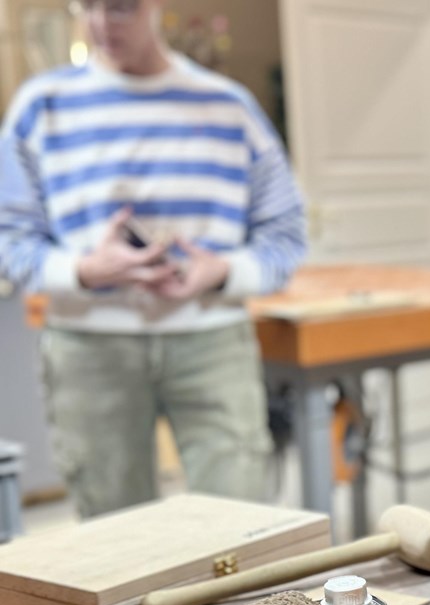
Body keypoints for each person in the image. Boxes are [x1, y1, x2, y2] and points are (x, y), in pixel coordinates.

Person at [0, 0, 305, 518]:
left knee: (239, 525)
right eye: (87, 6)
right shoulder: (40, 106)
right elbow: (9, 239)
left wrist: (222, 271)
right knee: (114, 534)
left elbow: (286, 235)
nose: (99, 24)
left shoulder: (229, 107)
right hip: (91, 347)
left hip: (210, 339)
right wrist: (82, 270)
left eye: (119, 8)